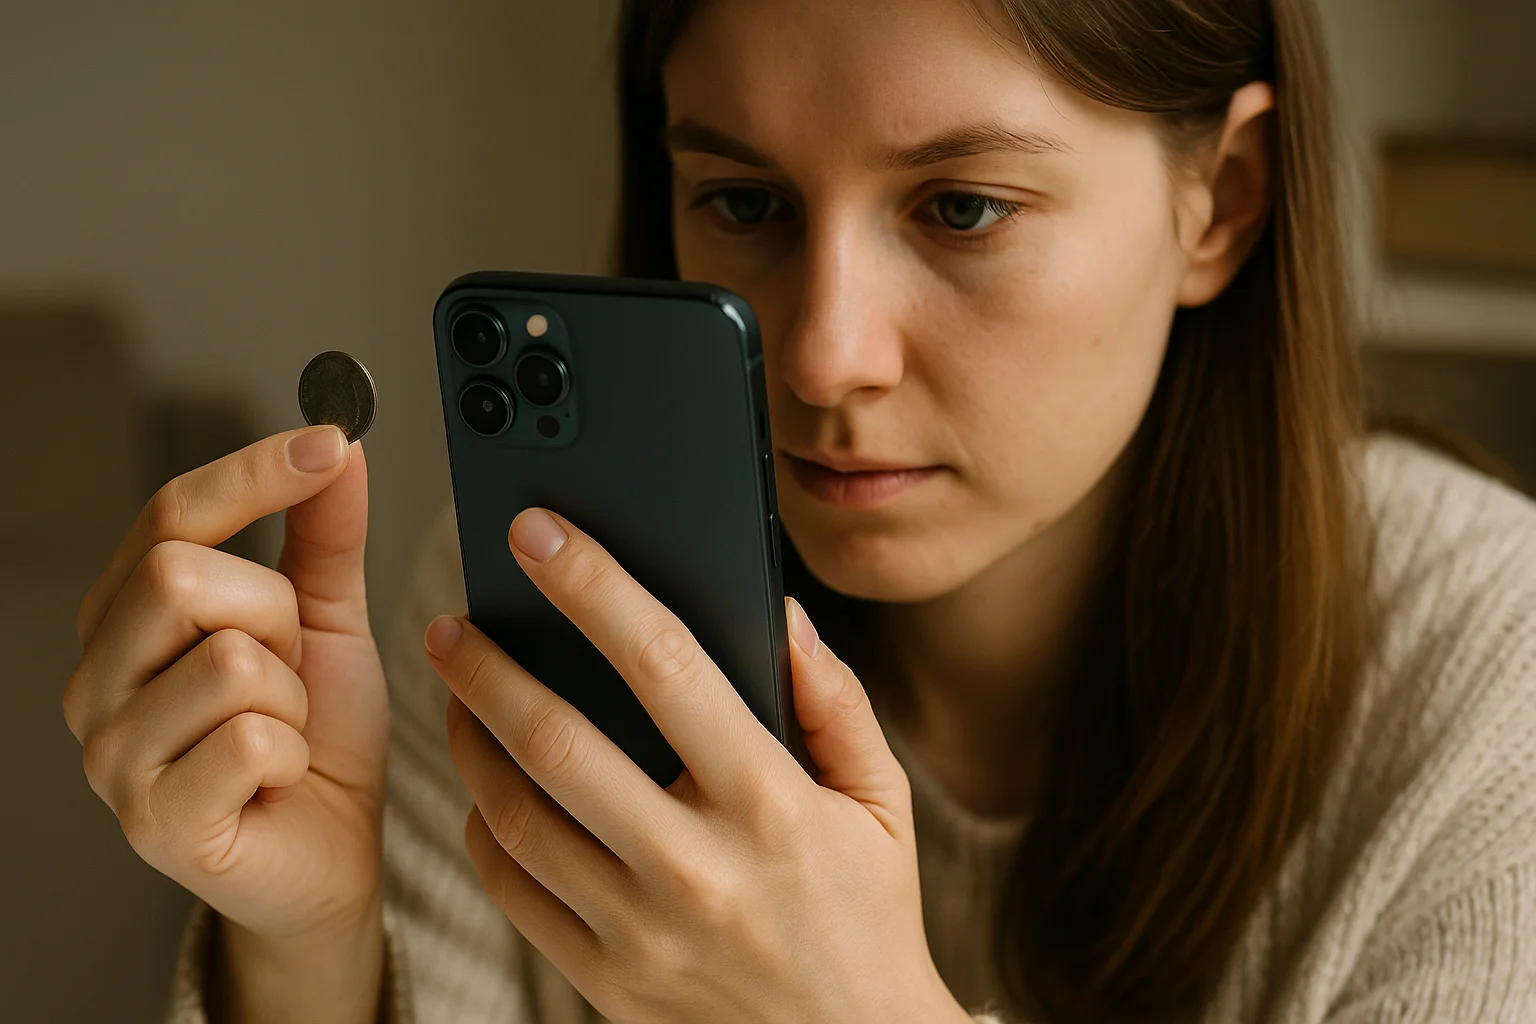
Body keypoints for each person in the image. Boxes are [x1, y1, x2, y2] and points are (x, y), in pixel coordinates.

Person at [62, 0, 1536, 1021]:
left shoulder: (1493, 679)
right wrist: (312, 954)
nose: (823, 354)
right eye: (747, 203)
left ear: (1220, 199)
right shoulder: (540, 596)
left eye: (961, 207)